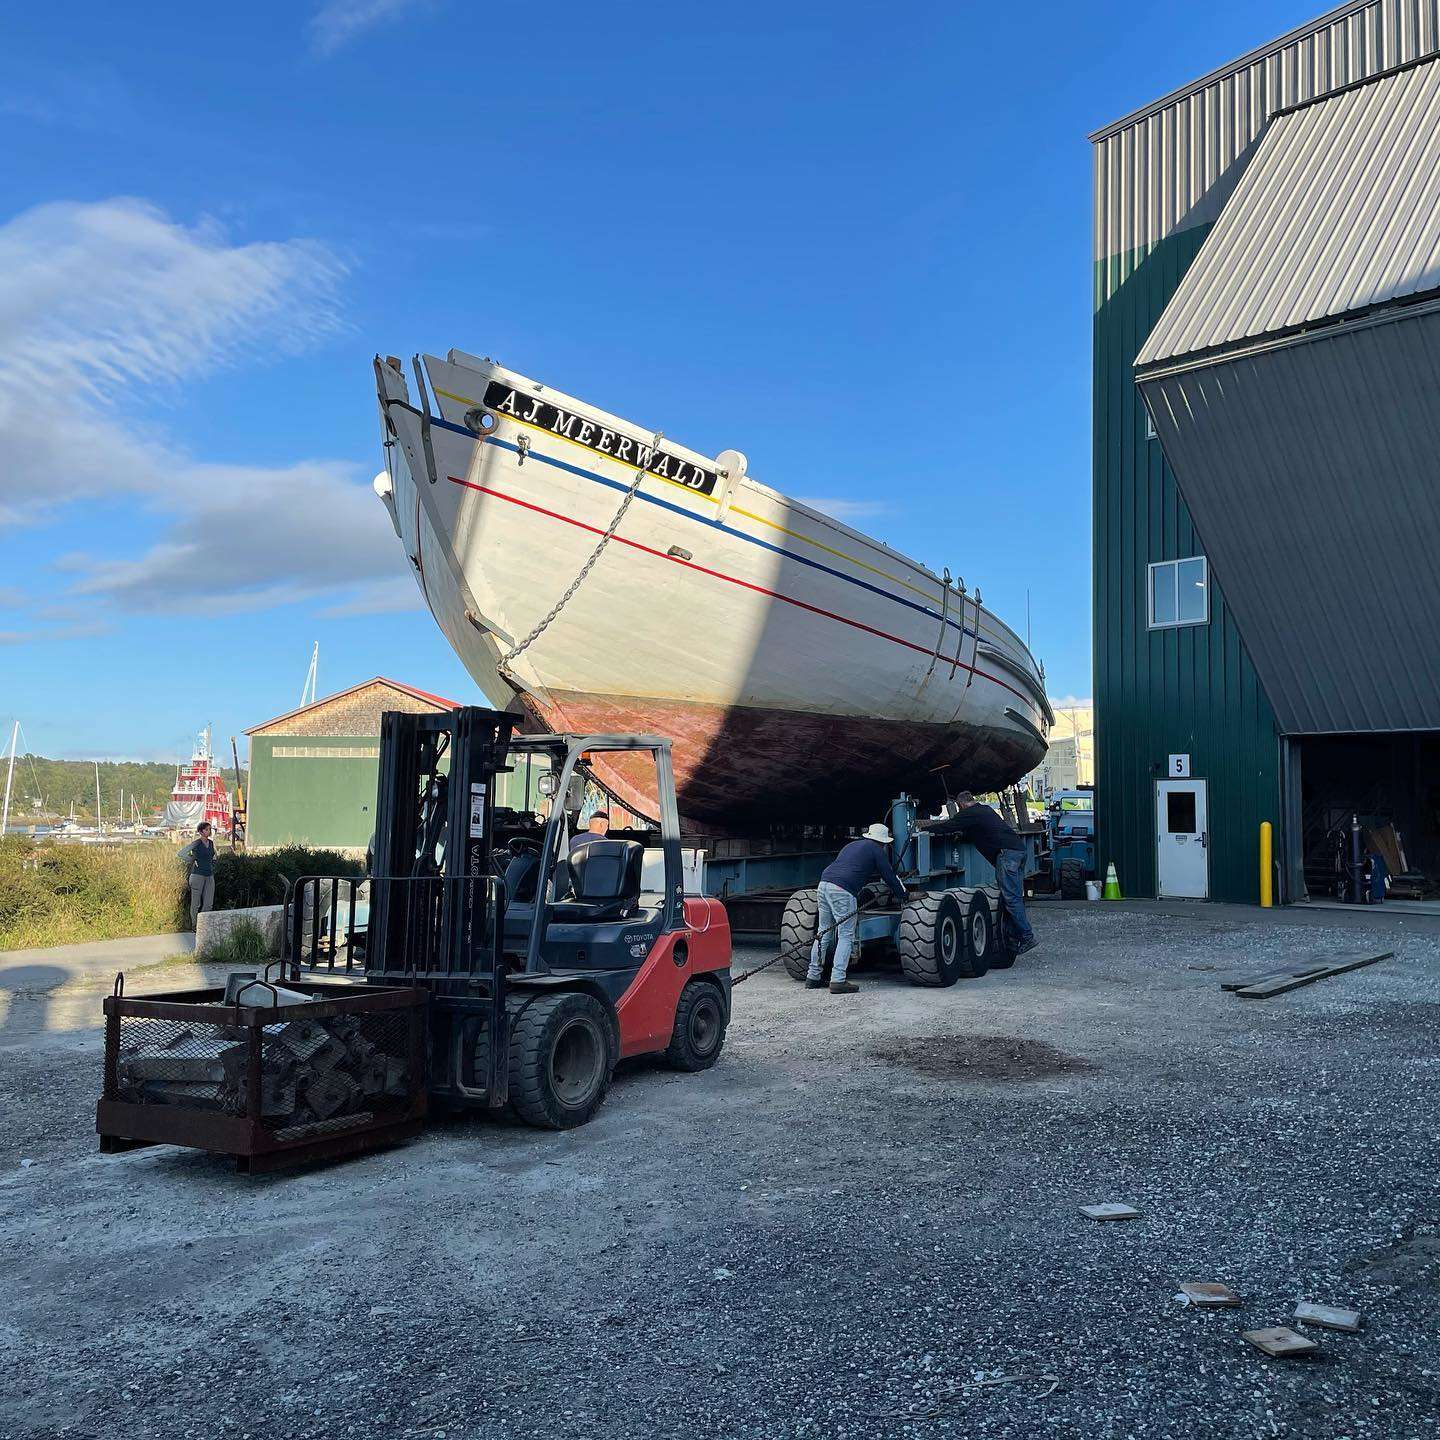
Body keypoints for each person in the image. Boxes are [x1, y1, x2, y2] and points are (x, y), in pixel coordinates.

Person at [806, 822, 907, 996]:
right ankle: (837, 980)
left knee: (823, 932)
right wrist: (904, 895)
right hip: (843, 890)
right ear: (883, 842)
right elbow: (889, 876)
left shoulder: (852, 845)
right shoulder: (877, 850)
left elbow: (850, 867)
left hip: (824, 884)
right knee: (846, 934)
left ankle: (813, 977)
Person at [948, 792, 1037, 954]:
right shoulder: (984, 810)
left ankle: (1026, 936)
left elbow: (949, 826)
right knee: (1014, 897)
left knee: (1010, 898)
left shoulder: (970, 813)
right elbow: (980, 831)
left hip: (1007, 855)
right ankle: (1012, 937)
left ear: (961, 805)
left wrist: (923, 828)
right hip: (1018, 851)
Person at [180, 821, 216, 928]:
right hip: (197, 875)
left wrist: (213, 864)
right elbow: (181, 853)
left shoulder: (211, 843)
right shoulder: (196, 843)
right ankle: (195, 925)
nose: (208, 831)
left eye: (209, 829)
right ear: (200, 831)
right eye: (206, 829)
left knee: (208, 903)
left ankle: (204, 925)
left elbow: (213, 856)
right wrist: (192, 859)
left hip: (209, 875)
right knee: (196, 903)